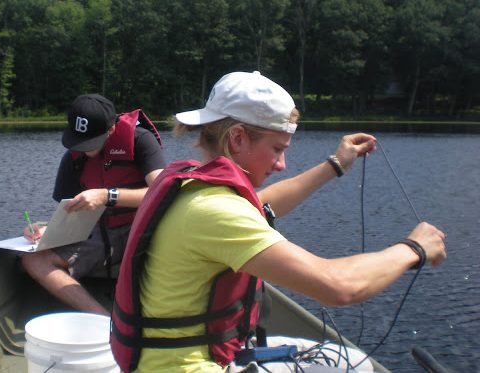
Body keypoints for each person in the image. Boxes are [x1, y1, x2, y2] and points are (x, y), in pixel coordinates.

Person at [110, 71, 447, 372]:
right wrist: (414, 248)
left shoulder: (193, 187)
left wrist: (336, 163)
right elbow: (338, 286)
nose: (282, 163)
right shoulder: (215, 211)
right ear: (238, 138)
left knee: (352, 362)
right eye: (277, 149)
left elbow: (264, 204)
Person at [22, 94, 166, 316]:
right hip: (98, 233)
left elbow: (161, 193)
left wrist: (107, 196)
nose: (84, 148)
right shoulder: (73, 157)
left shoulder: (140, 140)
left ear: (110, 130)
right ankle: (102, 318)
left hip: (143, 231)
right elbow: (69, 211)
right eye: (80, 141)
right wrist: (47, 231)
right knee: (34, 260)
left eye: (91, 141)